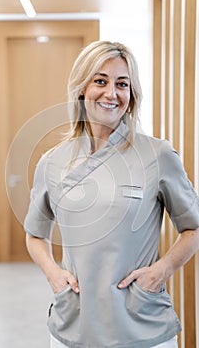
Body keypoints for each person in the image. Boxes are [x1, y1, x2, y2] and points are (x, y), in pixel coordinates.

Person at [24, 41, 199, 348]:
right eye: (100, 81)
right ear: (81, 88)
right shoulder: (52, 161)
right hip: (73, 324)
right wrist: (53, 273)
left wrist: (164, 269)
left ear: (131, 96)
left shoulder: (157, 155)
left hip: (141, 324)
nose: (111, 93)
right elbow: (34, 235)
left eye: (122, 84)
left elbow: (193, 227)